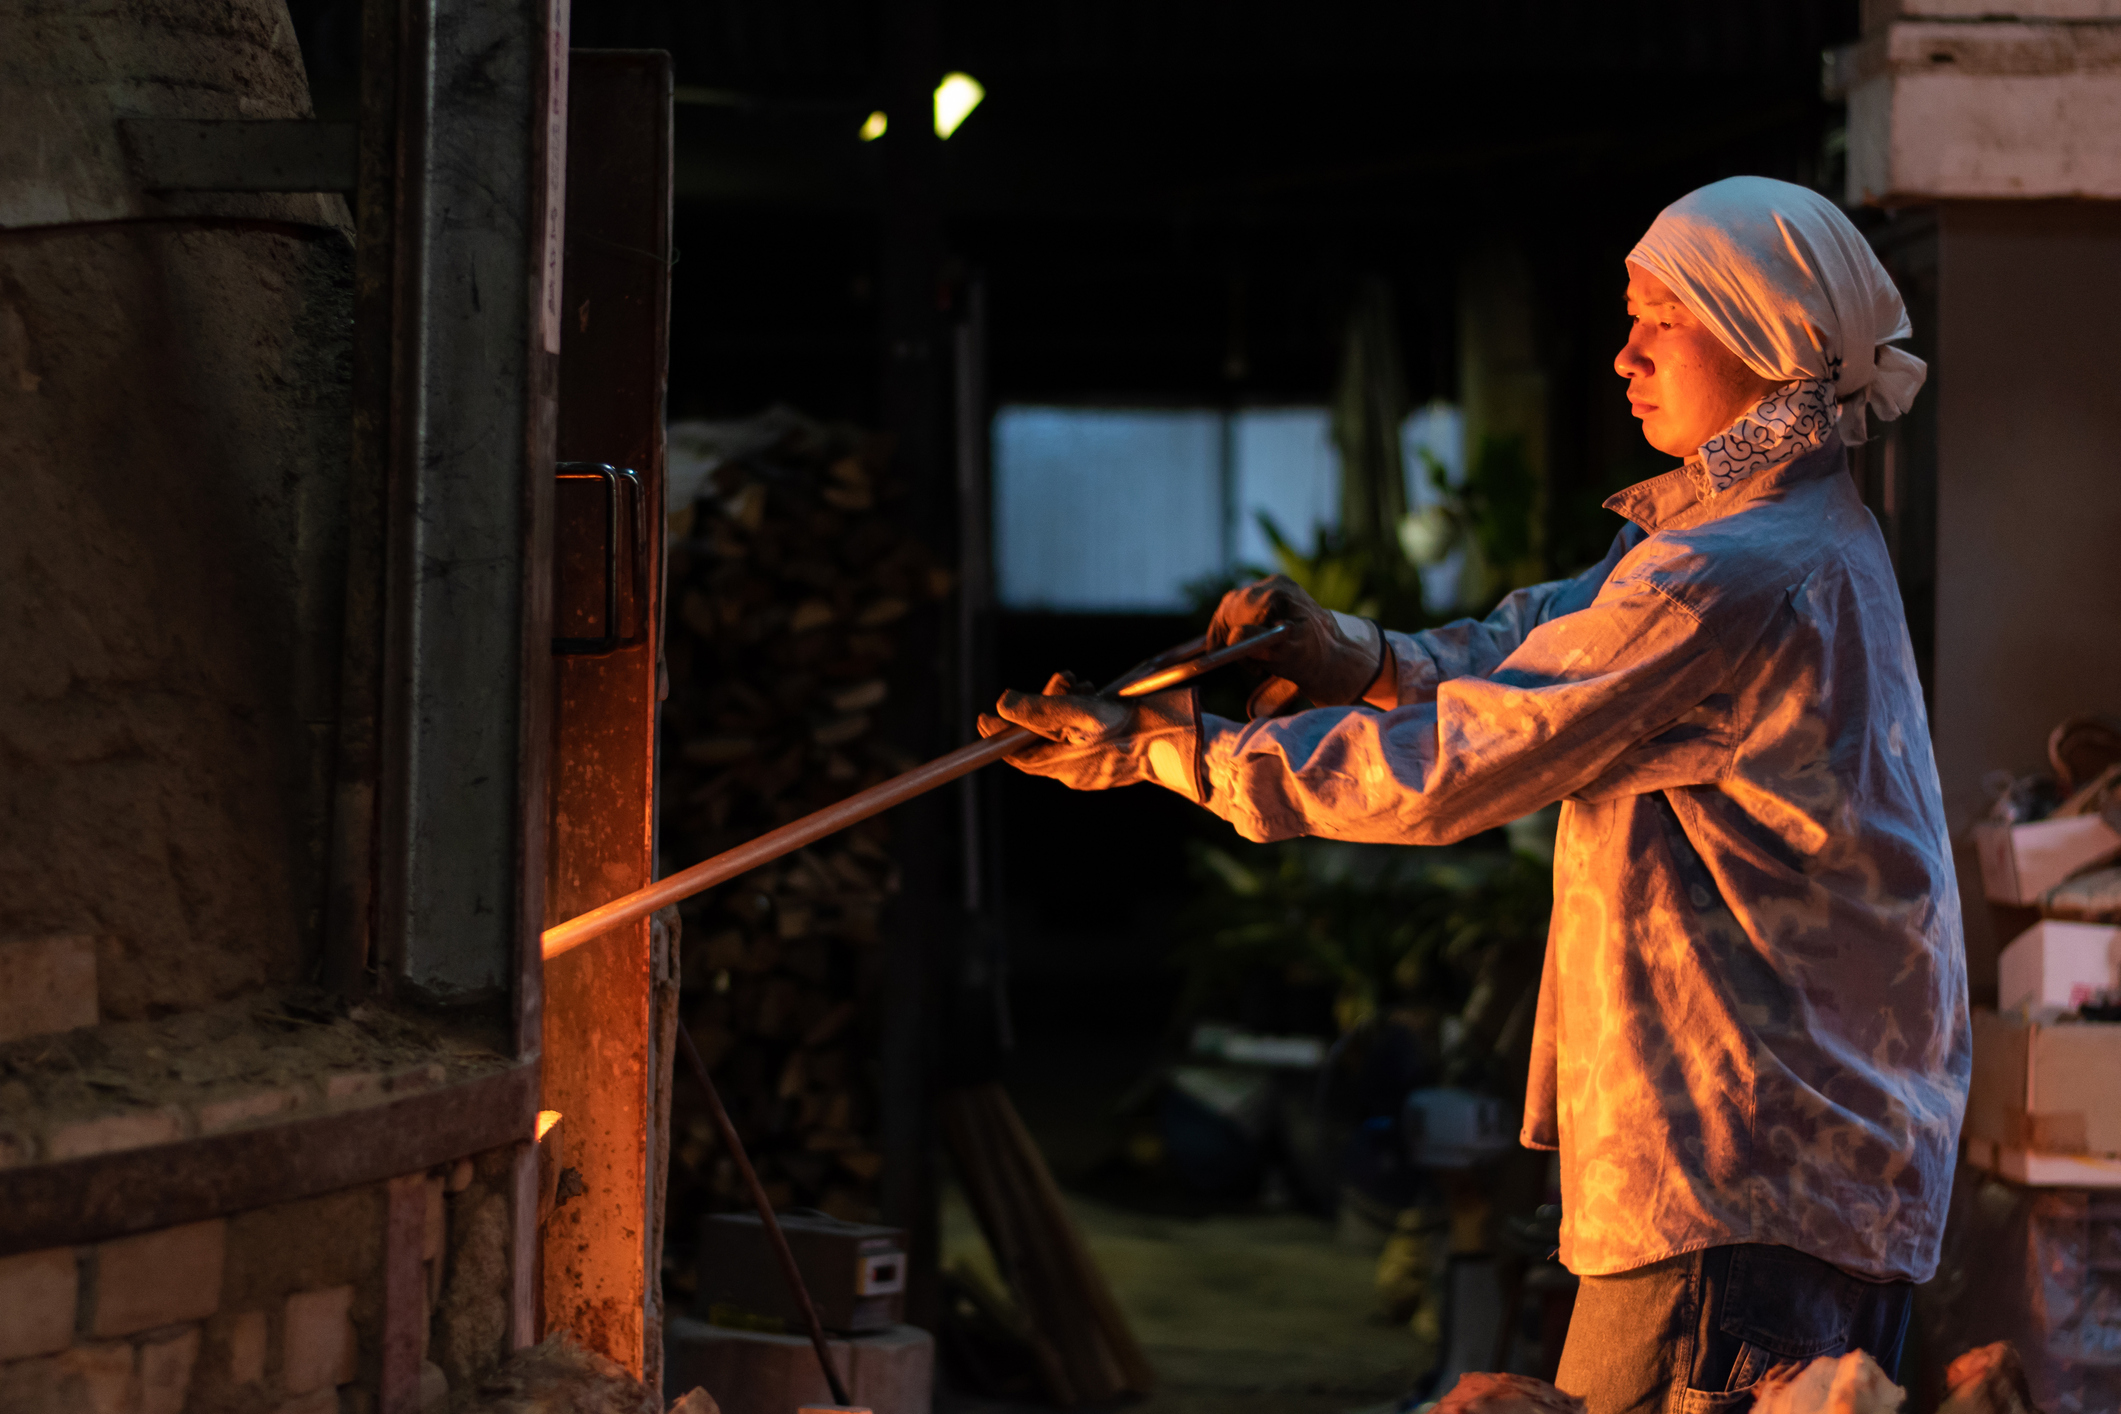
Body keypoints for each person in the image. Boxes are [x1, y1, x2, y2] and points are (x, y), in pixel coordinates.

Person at [979, 176, 1969, 1414]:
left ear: (1761, 336)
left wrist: (1166, 751)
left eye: (1657, 320)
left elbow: (1471, 757)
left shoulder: (1736, 570)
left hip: (1740, 1168)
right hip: (1783, 1164)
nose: (1622, 355)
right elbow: (1538, 646)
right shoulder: (1781, 532)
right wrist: (1351, 652)